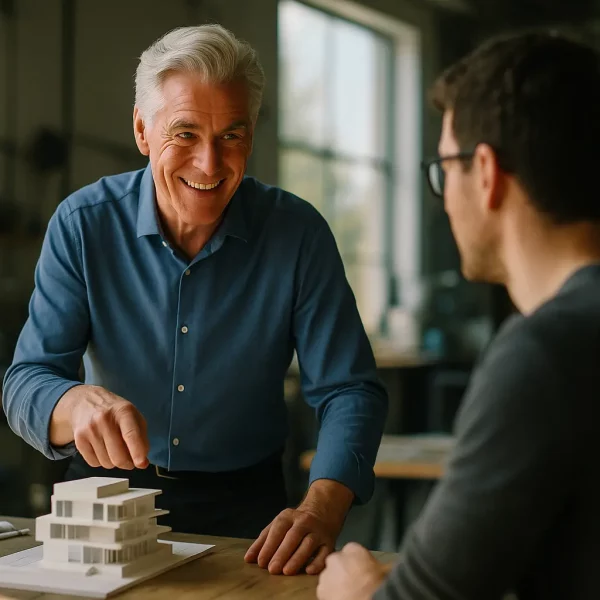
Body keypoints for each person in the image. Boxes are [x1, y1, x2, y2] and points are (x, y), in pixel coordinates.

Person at [2, 24, 388, 576]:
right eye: (184, 134)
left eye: (231, 136)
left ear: (251, 135)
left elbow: (349, 389)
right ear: (142, 129)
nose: (209, 165)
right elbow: (25, 380)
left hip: (247, 512)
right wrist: (71, 404)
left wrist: (321, 509)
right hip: (101, 507)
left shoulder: (298, 234)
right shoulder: (82, 224)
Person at [317, 29, 600, 600]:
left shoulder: (544, 354)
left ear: (488, 174)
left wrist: (354, 590)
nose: (443, 194)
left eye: (445, 168)